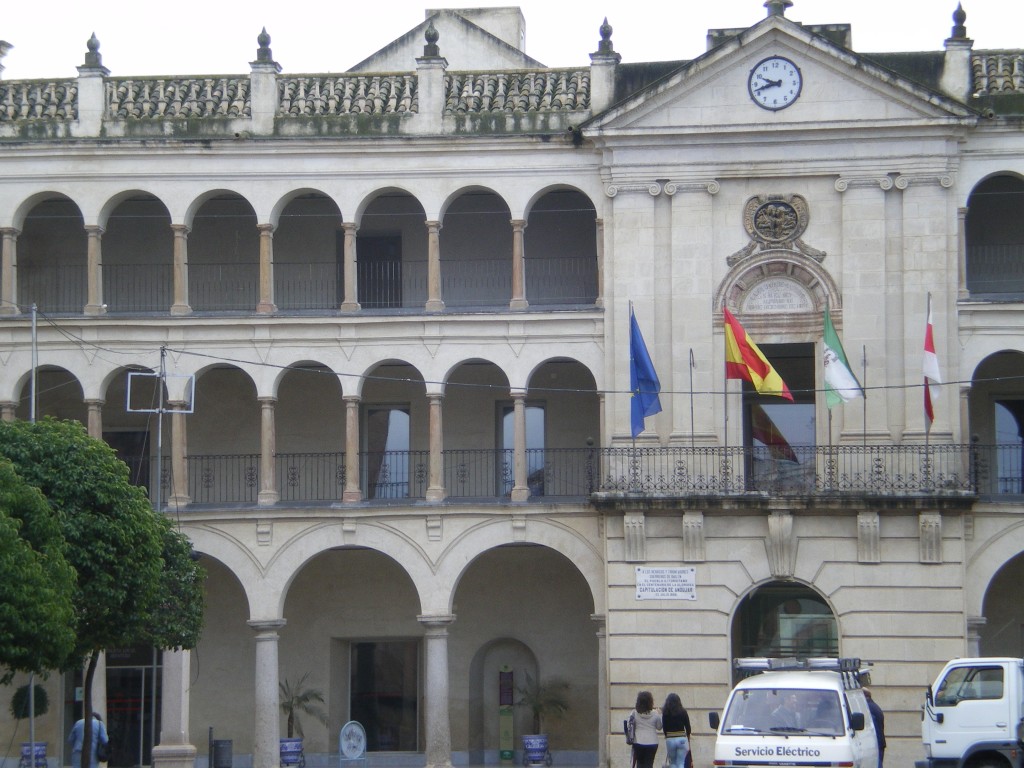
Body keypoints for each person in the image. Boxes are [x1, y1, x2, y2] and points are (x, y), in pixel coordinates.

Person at [629, 690, 662, 768]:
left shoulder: (634, 713)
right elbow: (659, 727)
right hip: (652, 742)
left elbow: (629, 724)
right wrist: (660, 714)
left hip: (638, 741)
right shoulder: (655, 714)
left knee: (639, 763)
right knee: (649, 764)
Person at [661, 693, 692, 768]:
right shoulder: (683, 711)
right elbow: (688, 726)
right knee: (681, 762)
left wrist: (667, 736)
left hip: (670, 739)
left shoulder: (665, 712)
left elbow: (664, 727)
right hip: (681, 738)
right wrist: (688, 736)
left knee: (673, 763)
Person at [864, 688, 886, 768]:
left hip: (875, 744)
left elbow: (873, 729)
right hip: (879, 743)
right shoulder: (874, 706)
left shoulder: (868, 707)